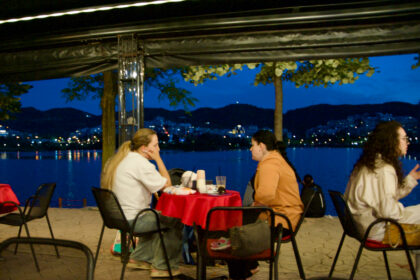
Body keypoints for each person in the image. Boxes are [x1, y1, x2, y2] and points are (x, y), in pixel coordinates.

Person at [101, 128, 183, 278]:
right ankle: (163, 267)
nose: (158, 148)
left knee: (157, 217)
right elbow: (168, 186)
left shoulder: (124, 159)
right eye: (156, 145)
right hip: (134, 220)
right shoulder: (141, 164)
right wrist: (158, 159)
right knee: (174, 217)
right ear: (145, 148)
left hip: (118, 218)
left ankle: (140, 258)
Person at [344, 121, 420, 278]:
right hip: (377, 229)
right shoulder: (385, 169)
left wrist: (410, 180)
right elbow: (388, 211)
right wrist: (401, 209)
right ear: (391, 141)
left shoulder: (371, 164)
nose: (408, 142)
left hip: (363, 225)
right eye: (404, 138)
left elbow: (384, 198)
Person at [228, 130, 304, 280]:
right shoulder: (276, 160)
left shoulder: (269, 164)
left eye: (252, 145)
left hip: (280, 221)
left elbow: (266, 195)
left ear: (261, 146)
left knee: (232, 230)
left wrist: (255, 203)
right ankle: (248, 267)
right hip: (284, 216)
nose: (250, 149)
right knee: (237, 224)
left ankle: (243, 271)